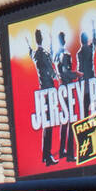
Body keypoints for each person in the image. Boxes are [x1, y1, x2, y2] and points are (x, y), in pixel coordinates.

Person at [29, 28, 58, 164]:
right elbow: (51, 71)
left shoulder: (35, 54)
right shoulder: (42, 54)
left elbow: (32, 52)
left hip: (43, 90)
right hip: (48, 90)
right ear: (41, 38)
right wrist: (58, 76)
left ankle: (45, 156)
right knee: (49, 123)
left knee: (47, 124)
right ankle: (47, 156)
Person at [54, 31, 78, 162]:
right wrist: (77, 74)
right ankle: (69, 154)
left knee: (65, 120)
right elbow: (65, 73)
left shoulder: (56, 55)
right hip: (67, 89)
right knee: (71, 120)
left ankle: (63, 150)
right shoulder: (65, 54)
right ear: (63, 40)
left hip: (61, 89)